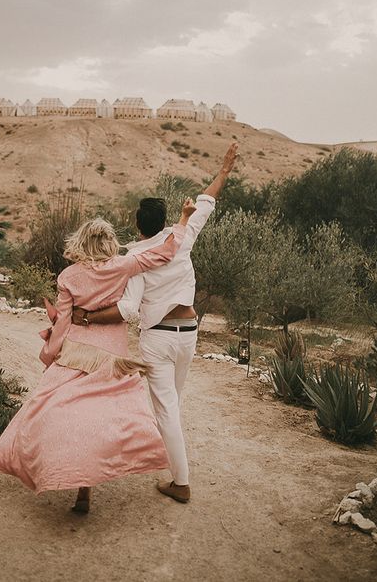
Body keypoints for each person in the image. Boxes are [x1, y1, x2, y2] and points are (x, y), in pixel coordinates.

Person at [0, 200, 197, 513]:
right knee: (100, 418)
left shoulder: (68, 276)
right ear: (110, 242)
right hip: (110, 355)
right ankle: (95, 479)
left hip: (75, 352)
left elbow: (63, 321)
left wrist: (50, 354)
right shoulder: (124, 265)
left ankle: (66, 478)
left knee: (56, 411)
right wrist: (182, 222)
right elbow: (166, 252)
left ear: (82, 243)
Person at [71, 143, 239, 504]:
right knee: (173, 403)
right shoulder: (182, 238)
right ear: (164, 221)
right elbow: (205, 202)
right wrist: (224, 171)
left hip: (159, 340)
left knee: (166, 409)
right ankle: (168, 461)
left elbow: (129, 308)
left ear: (137, 225)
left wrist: (88, 316)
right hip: (189, 335)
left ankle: (180, 482)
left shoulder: (135, 257)